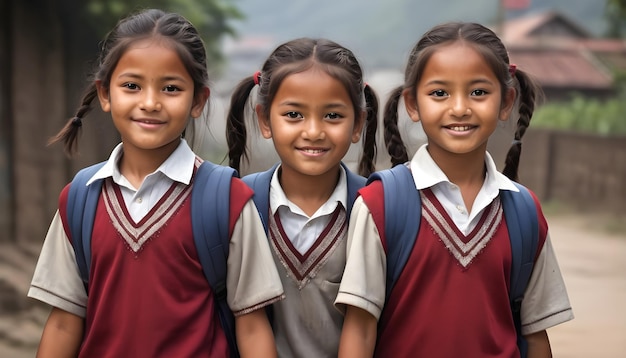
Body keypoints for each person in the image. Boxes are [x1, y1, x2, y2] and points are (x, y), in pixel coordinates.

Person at [28, 9, 283, 357]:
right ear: (105, 94)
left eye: (171, 88)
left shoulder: (227, 200)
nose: (150, 103)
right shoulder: (80, 199)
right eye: (132, 86)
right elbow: (63, 322)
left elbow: (253, 326)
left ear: (197, 100)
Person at [336, 22, 574, 358]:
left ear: (506, 101)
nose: (460, 107)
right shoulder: (380, 205)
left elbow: (535, 335)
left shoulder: (523, 211)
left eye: (478, 92)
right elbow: (359, 330)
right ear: (412, 104)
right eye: (439, 93)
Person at [226, 37, 379, 357]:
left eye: (333, 116)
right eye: (294, 114)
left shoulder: (375, 208)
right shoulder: (242, 205)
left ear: (358, 124)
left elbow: (365, 327)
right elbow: (249, 323)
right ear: (265, 120)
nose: (313, 131)